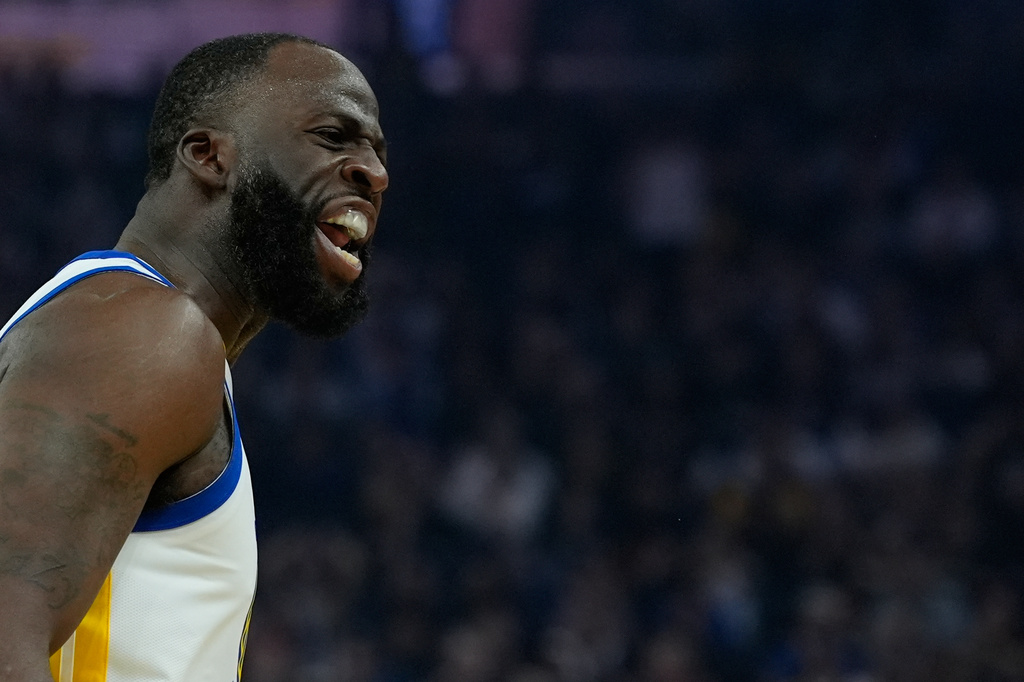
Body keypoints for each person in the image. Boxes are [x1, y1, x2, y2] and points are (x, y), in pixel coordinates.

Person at [0, 32, 388, 681]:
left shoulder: (131, 328)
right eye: (331, 137)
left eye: (376, 151)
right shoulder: (148, 331)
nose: (375, 174)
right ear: (210, 156)